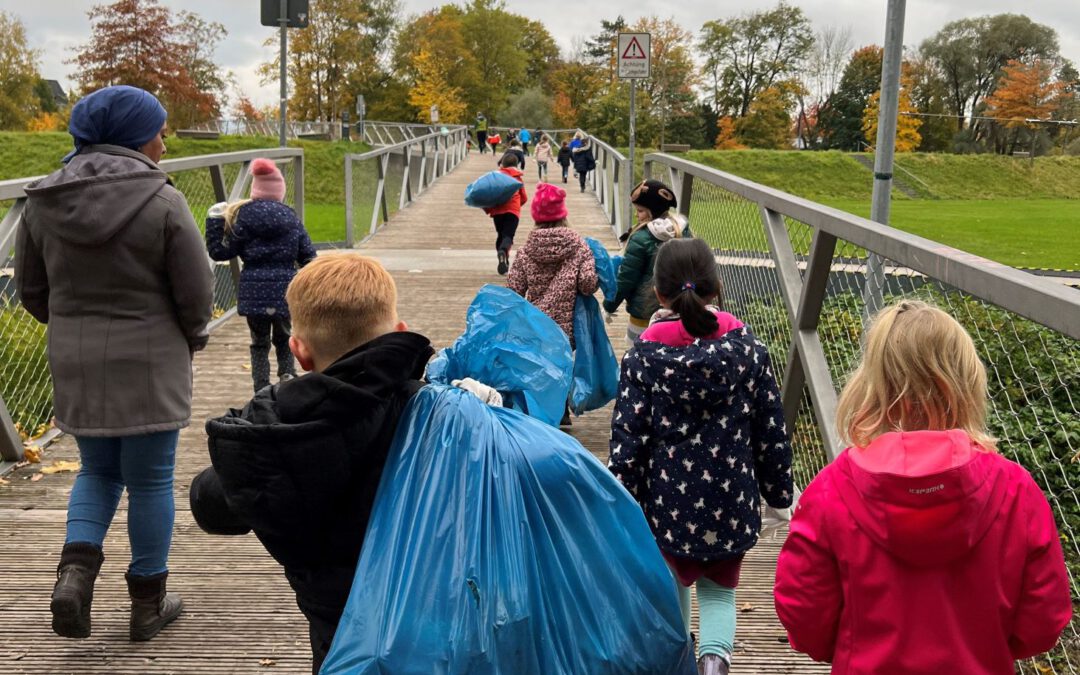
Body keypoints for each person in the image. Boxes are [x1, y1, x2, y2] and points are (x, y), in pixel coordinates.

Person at [775, 300, 1072, 674]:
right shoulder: (1016, 491)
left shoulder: (831, 490)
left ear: (870, 383)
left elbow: (805, 616)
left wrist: (851, 647)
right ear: (966, 383)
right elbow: (1042, 623)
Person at [15, 85, 213, 641]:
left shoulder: (41, 200)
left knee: (96, 471)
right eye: (159, 129)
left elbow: (31, 290)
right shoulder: (163, 200)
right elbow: (196, 293)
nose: (165, 140)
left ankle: (73, 579)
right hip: (152, 360)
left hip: (76, 360)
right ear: (135, 136)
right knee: (150, 482)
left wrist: (73, 328)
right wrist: (191, 336)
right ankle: (147, 606)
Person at [190, 253, 435, 674]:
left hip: (333, 616)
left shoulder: (273, 429)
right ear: (398, 331)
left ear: (299, 352)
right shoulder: (435, 414)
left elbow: (212, 507)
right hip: (430, 607)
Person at [608, 237, 793, 675]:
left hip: (666, 503)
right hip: (731, 503)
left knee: (672, 578)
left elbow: (629, 436)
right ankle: (714, 664)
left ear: (658, 293)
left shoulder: (643, 356)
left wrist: (621, 497)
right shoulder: (750, 351)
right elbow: (770, 431)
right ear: (717, 286)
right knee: (719, 592)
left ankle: (676, 659)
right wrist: (779, 493)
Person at [205, 158, 317, 393]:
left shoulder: (243, 216)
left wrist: (215, 221)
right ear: (279, 191)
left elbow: (220, 252)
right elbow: (309, 256)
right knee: (285, 336)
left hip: (253, 291)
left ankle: (261, 385)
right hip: (285, 290)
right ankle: (287, 374)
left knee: (259, 342)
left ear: (255, 189)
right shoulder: (290, 217)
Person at [507, 182, 598, 350]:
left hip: (536, 326)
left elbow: (514, 292)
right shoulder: (579, 246)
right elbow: (587, 285)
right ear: (562, 215)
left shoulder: (525, 251)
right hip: (568, 332)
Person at [603, 179, 690, 346]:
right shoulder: (683, 231)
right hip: (678, 308)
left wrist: (609, 305)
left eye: (641, 211)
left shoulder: (640, 238)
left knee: (637, 349)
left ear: (653, 211)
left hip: (643, 311)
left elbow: (626, 278)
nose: (637, 215)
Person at [484, 153, 528, 275]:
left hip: (497, 211)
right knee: (508, 235)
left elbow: (487, 193)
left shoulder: (495, 177)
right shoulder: (517, 178)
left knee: (500, 234)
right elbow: (524, 197)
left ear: (502, 164)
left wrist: (488, 209)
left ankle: (503, 257)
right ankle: (503, 251)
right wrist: (516, 207)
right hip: (512, 211)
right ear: (516, 165)